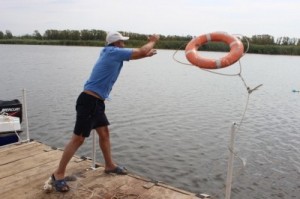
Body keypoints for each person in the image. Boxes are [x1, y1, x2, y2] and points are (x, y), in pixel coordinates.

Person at [50, 31, 160, 192]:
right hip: (88, 102)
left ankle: (109, 166)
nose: (124, 44)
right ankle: (58, 174)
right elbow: (141, 51)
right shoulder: (112, 52)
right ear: (116, 43)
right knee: (78, 140)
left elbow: (138, 55)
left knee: (104, 133)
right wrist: (152, 41)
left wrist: (146, 54)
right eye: (122, 41)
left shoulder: (110, 52)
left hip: (96, 103)